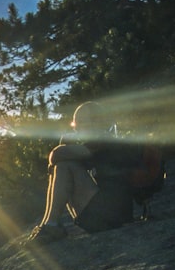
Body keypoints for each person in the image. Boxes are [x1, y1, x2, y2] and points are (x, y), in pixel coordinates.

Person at [28, 101, 138, 243]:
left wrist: (63, 147)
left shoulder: (103, 140)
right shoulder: (98, 142)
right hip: (105, 215)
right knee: (63, 166)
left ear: (96, 121)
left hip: (110, 214)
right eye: (76, 122)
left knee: (65, 166)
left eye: (81, 121)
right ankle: (48, 224)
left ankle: (52, 225)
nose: (77, 127)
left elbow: (56, 154)